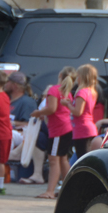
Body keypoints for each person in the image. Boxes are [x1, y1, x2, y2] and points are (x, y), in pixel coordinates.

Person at [31, 66, 75, 200]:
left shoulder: (54, 89)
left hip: (58, 130)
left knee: (53, 160)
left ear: (60, 74)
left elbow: (51, 109)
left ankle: (50, 191)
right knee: (62, 159)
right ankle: (68, 189)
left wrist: (38, 112)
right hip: (67, 127)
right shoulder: (68, 92)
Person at [66, 64, 99, 160]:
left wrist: (68, 105)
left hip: (82, 130)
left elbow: (78, 112)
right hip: (89, 129)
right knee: (88, 158)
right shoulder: (92, 92)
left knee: (83, 159)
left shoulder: (82, 92)